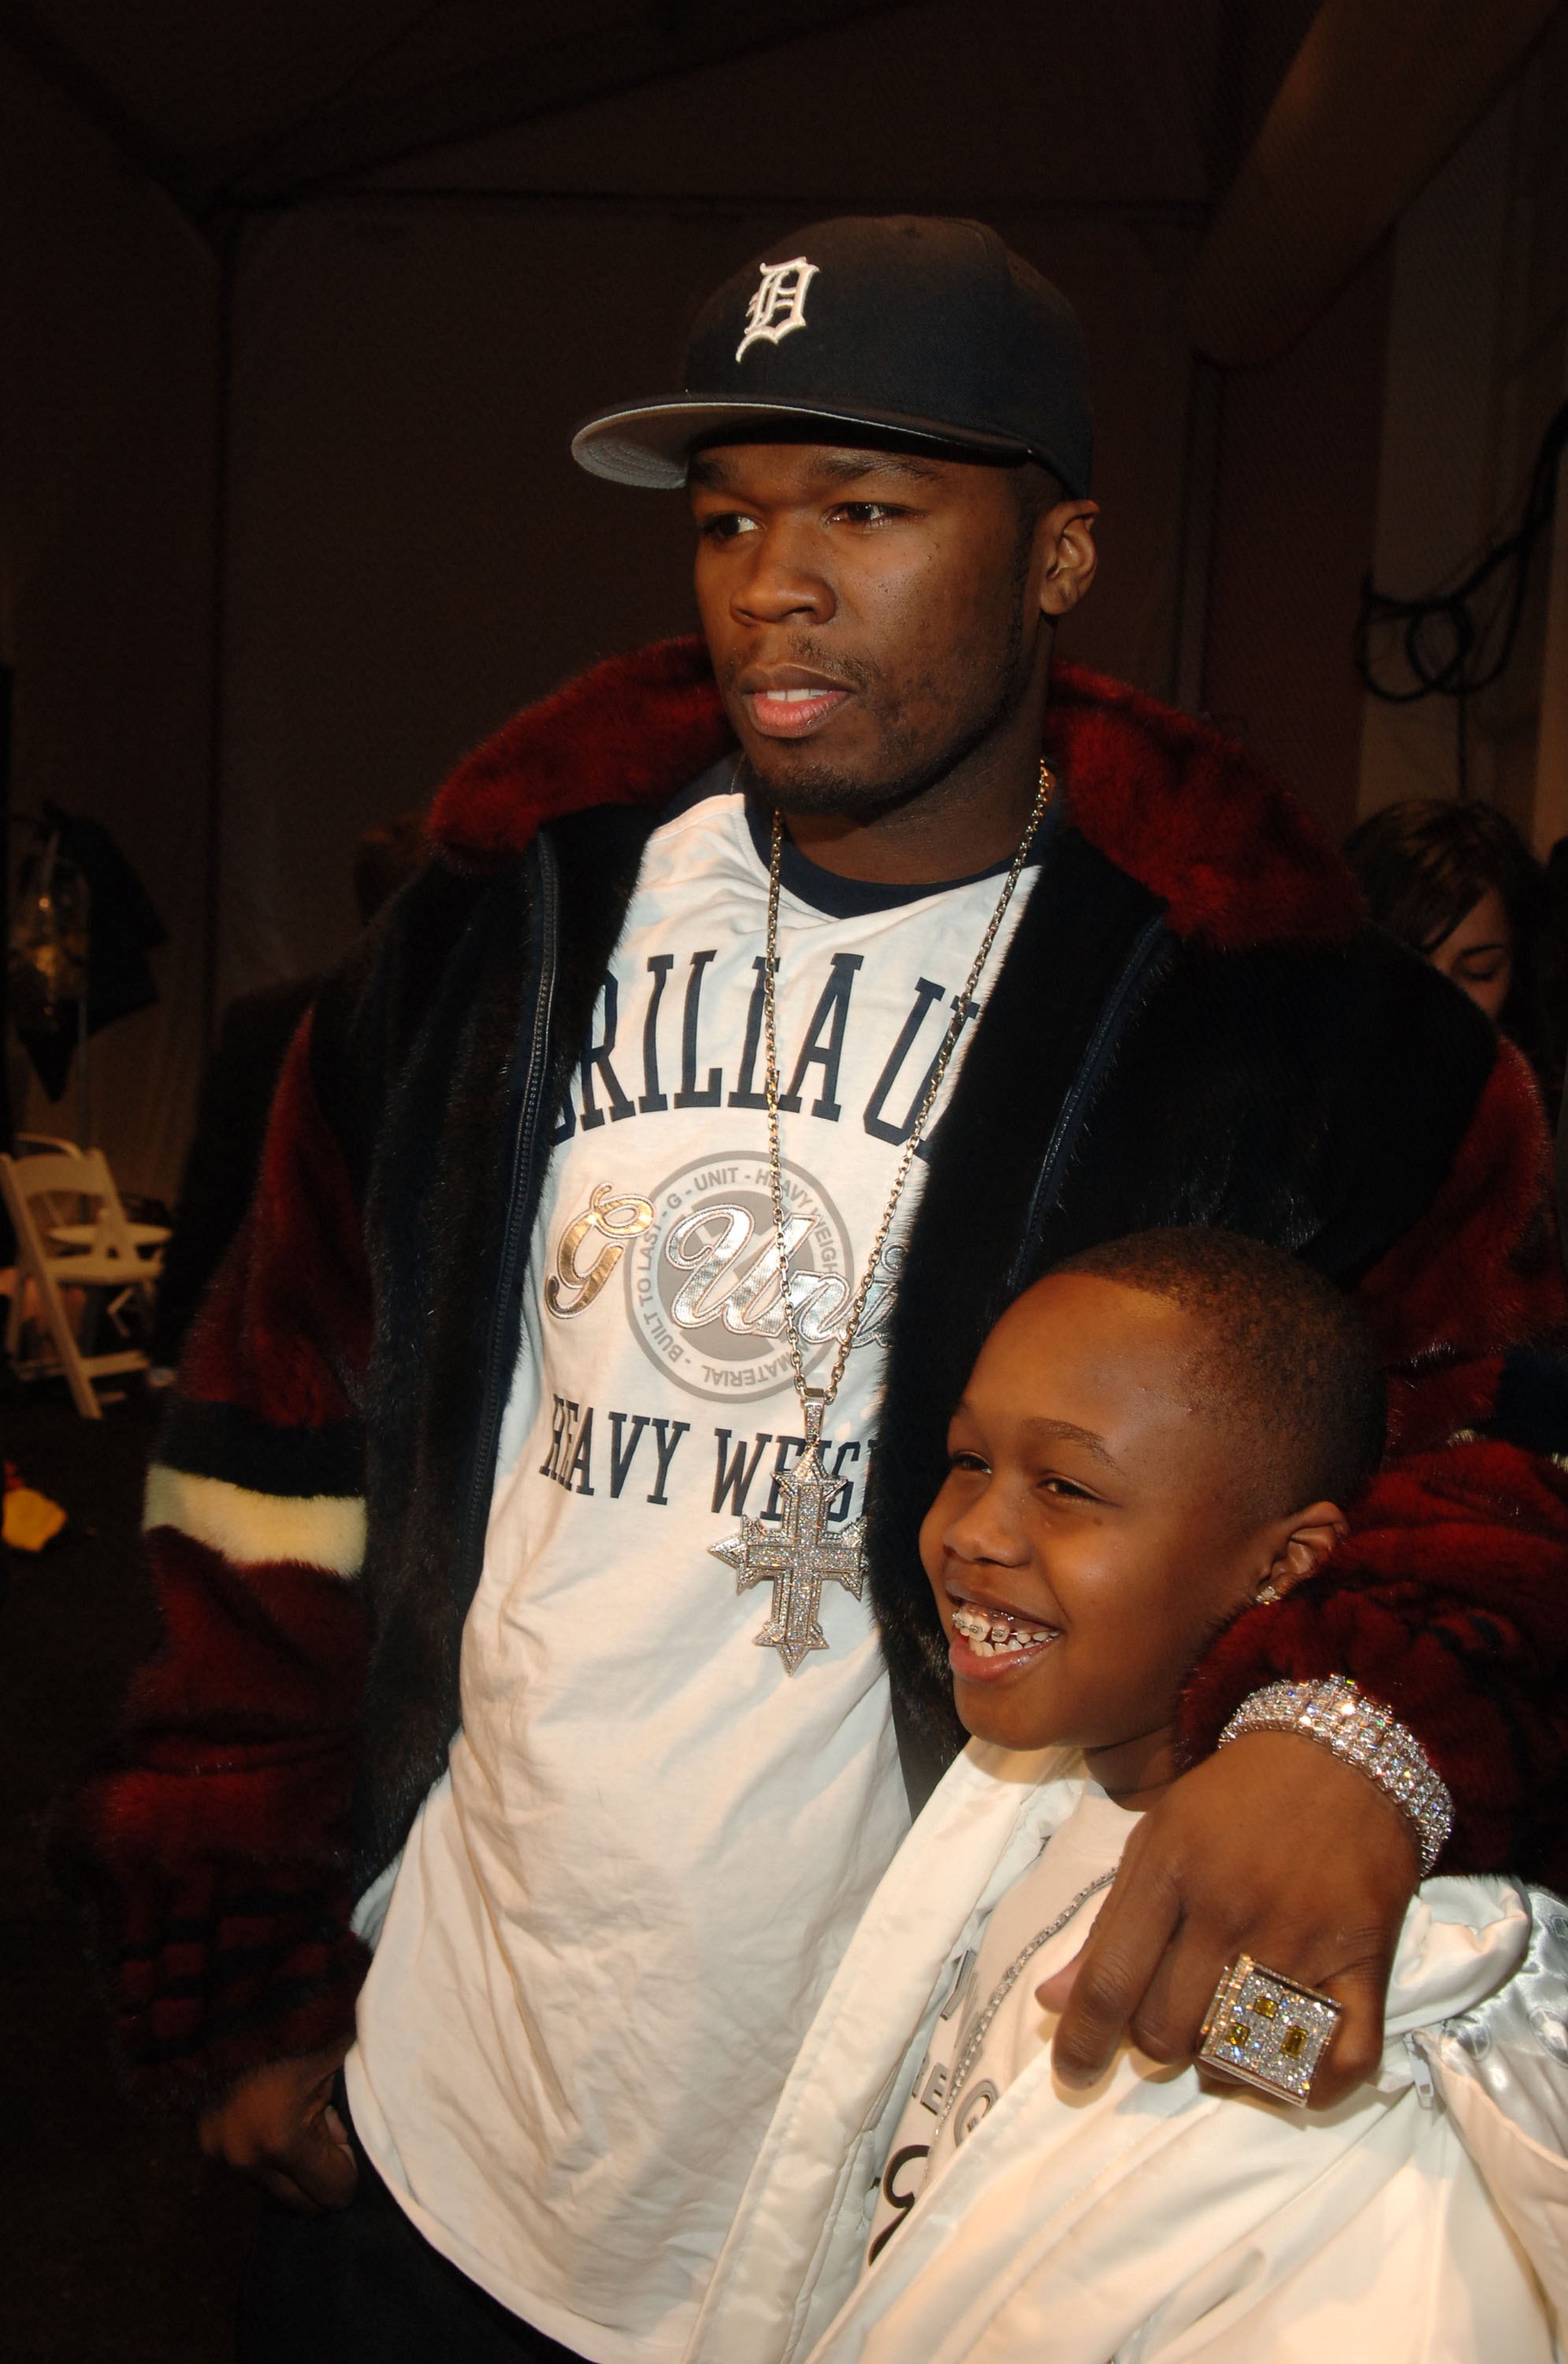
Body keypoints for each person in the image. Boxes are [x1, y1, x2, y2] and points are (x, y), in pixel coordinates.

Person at [58, 217, 1568, 2362]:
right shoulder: (498, 941)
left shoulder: (1280, 1031)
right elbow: (267, 1467)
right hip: (453, 2109)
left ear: (1056, 558)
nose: (774, 574)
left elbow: (1490, 1455)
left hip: (934, 2148)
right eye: (727, 514)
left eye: (865, 508)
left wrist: (1360, 1730)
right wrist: (233, 1960)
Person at [689, 1231, 1568, 2364]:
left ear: (1284, 1564)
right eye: (966, 1462)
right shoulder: (1032, 1787)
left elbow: (1282, 2125)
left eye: (1064, 1486)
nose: (970, 1531)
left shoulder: (1308, 1964)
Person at [150, 810, 429, 1373]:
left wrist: (173, 1340)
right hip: (411, 1359)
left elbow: (213, 1193)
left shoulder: (265, 1023)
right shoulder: (477, 1032)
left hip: (292, 1347)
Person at [1344, 797, 1562, 1108]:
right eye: (1411, 966)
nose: (1442, 1000)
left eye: (1478, 971)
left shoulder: (1536, 1122)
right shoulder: (1299, 1114)